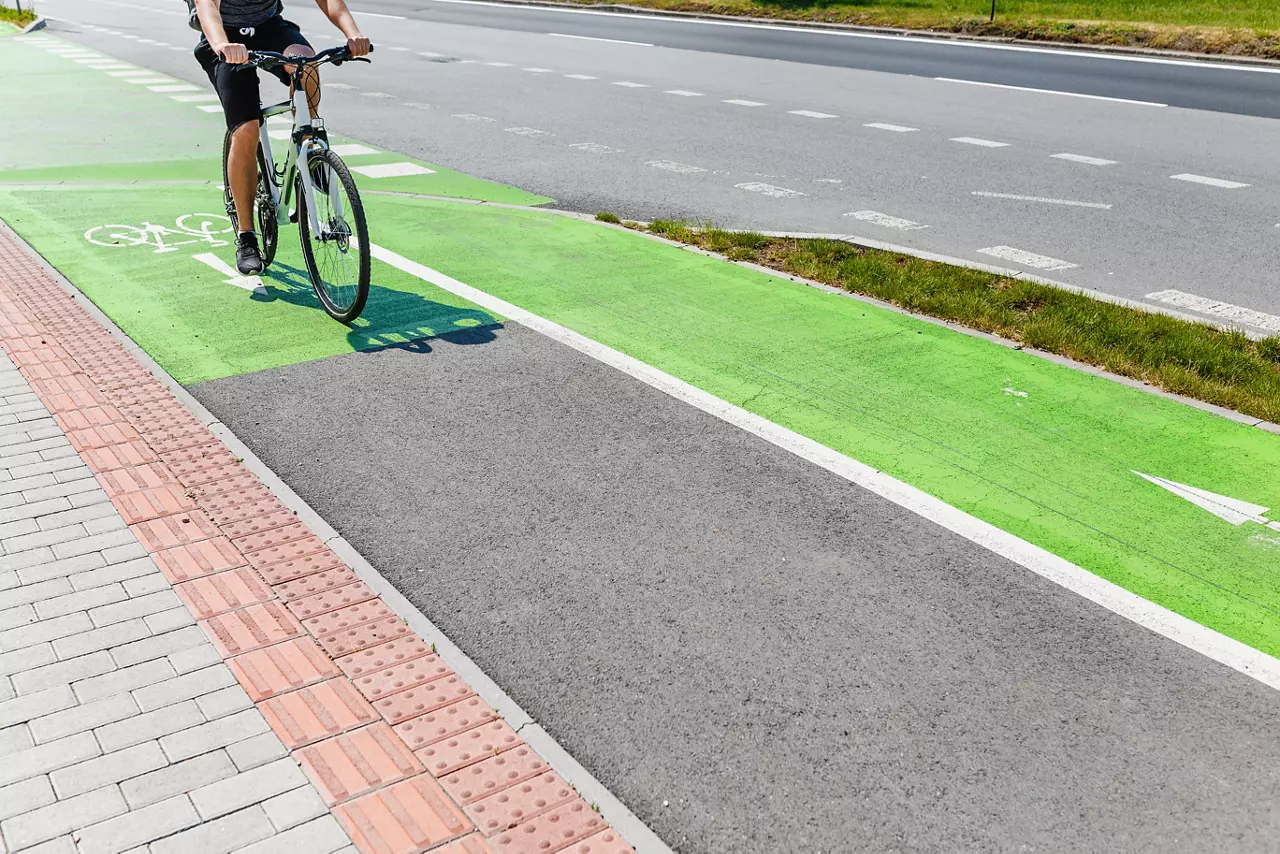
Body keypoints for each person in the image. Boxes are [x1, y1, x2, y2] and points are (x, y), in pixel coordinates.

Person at [190, 0, 370, 274]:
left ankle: (308, 148)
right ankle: (247, 238)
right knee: (247, 127)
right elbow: (207, 7)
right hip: (224, 36)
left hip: (268, 27)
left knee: (306, 63)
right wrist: (221, 44)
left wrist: (352, 33)